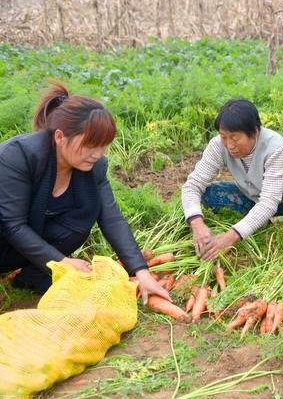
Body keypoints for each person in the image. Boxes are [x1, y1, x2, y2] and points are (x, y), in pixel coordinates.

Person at [0, 81, 171, 303]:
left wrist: (141, 272)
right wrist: (62, 261)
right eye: (91, 145)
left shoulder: (93, 167)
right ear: (60, 137)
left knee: (85, 213)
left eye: (103, 145)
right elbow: (12, 225)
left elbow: (112, 218)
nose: (98, 154)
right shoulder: (19, 156)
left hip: (20, 245)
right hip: (5, 235)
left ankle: (32, 277)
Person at [182, 98, 283, 260]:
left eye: (234, 138)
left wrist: (231, 236)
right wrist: (196, 223)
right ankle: (260, 224)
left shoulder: (275, 147)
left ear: (255, 131)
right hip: (253, 198)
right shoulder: (218, 146)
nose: (229, 145)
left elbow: (269, 202)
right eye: (224, 137)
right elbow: (192, 184)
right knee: (210, 192)